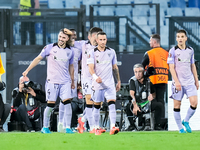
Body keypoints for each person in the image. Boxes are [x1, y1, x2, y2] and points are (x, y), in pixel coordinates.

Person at [22, 28, 75, 134]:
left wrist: (72, 81)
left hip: (65, 81)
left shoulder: (70, 51)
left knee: (67, 102)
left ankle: (67, 127)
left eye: (63, 37)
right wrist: (27, 70)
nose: (61, 39)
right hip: (52, 81)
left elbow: (71, 67)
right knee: (50, 104)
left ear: (67, 39)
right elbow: (38, 59)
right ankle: (45, 127)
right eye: (60, 36)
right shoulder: (50, 47)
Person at [87, 31, 121, 135]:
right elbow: (90, 68)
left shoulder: (111, 51)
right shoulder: (92, 52)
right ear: (96, 40)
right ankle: (96, 128)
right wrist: (95, 77)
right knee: (97, 105)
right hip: (98, 83)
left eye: (104, 39)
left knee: (112, 104)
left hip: (109, 82)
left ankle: (113, 127)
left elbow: (115, 67)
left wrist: (118, 80)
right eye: (100, 40)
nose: (102, 42)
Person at [167, 29, 199, 133]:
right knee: (177, 105)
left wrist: (196, 80)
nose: (180, 39)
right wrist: (176, 82)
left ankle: (186, 121)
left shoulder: (190, 50)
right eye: (178, 37)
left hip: (189, 81)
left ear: (186, 38)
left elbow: (192, 65)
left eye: (182, 36)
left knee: (194, 103)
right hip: (178, 82)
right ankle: (180, 128)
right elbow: (171, 68)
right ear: (176, 39)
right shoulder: (172, 51)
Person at [74, 27, 104, 134]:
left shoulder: (102, 48)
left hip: (98, 78)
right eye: (95, 37)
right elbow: (70, 41)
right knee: (90, 101)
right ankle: (93, 127)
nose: (97, 40)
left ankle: (82, 120)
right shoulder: (83, 45)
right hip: (87, 77)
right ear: (89, 37)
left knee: (98, 103)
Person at [57, 28, 83, 132]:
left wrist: (77, 80)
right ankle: (62, 123)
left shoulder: (78, 49)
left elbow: (79, 64)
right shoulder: (62, 48)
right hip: (63, 78)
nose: (73, 36)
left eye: (74, 34)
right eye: (70, 34)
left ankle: (67, 125)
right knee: (64, 101)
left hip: (74, 79)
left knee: (70, 101)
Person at [126, 64, 163, 131]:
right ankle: (132, 125)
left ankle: (157, 125)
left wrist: (152, 96)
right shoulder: (132, 81)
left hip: (146, 103)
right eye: (136, 72)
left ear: (143, 72)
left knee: (159, 105)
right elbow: (132, 94)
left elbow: (154, 93)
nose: (138, 74)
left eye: (140, 71)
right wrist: (135, 106)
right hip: (137, 103)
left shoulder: (148, 81)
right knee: (127, 106)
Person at [141, 34, 169, 118]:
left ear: (154, 41)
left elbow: (141, 67)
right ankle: (161, 121)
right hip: (163, 80)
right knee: (161, 101)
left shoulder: (149, 53)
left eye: (150, 41)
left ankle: (154, 122)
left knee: (153, 100)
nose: (149, 42)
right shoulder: (166, 53)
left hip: (152, 81)